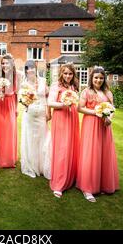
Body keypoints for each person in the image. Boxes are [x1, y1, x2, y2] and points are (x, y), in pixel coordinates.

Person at [76, 66, 119, 202]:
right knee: (91, 154)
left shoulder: (108, 93)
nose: (98, 80)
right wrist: (96, 112)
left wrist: (109, 118)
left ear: (104, 79)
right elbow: (80, 108)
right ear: (91, 78)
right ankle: (88, 188)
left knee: (104, 154)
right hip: (91, 125)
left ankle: (103, 185)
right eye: (96, 77)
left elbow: (112, 109)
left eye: (101, 78)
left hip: (105, 126)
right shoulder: (86, 92)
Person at [47, 63, 80, 198]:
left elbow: (77, 102)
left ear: (73, 75)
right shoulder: (56, 86)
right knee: (62, 149)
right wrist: (63, 104)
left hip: (72, 117)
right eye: (65, 73)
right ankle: (59, 182)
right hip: (60, 118)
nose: (68, 76)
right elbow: (50, 102)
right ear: (61, 73)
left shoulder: (74, 86)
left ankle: (70, 177)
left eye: (70, 74)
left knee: (72, 147)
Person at [20, 60, 52, 179]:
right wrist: (26, 104)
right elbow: (22, 100)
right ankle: (32, 166)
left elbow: (48, 96)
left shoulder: (43, 81)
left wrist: (49, 111)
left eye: (33, 67)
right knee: (31, 139)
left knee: (42, 139)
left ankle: (42, 166)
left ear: (36, 68)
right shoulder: (24, 84)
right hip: (30, 115)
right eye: (28, 68)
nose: (31, 70)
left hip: (42, 113)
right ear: (26, 71)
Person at [0, 54, 20, 168]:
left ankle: (9, 158)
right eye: (3, 63)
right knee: (0, 132)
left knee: (10, 131)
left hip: (10, 104)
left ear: (12, 64)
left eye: (7, 63)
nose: (4, 65)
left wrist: (16, 108)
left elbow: (16, 94)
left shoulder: (17, 76)